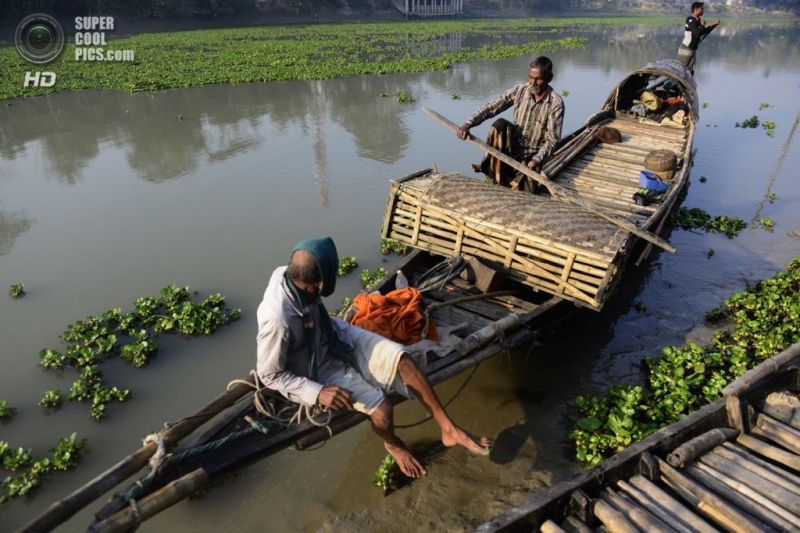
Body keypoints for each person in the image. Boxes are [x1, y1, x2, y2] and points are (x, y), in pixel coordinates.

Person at [256, 236, 493, 478]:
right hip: (316, 368)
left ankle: (449, 429)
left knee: (403, 360)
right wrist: (318, 392)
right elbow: (269, 374)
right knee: (383, 411)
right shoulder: (277, 321)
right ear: (317, 285)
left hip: (335, 335)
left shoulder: (291, 274)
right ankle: (392, 444)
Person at [456, 56, 564, 192]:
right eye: (530, 77)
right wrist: (468, 124)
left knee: (526, 192)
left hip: (532, 154)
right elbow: (491, 107)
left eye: (538, 79)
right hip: (513, 148)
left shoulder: (555, 103)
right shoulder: (520, 90)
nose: (533, 83)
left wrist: (536, 160)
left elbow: (553, 139)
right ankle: (487, 165)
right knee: (500, 125)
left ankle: (509, 170)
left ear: (549, 78)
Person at [677, 2, 720, 75]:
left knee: (687, 71)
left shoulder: (697, 20)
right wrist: (703, 25)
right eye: (701, 9)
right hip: (687, 48)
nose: (703, 10)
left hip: (692, 49)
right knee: (680, 70)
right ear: (696, 10)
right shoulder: (691, 20)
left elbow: (703, 32)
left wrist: (712, 25)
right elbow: (697, 34)